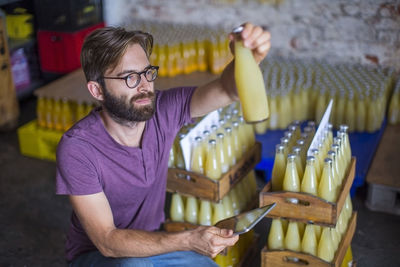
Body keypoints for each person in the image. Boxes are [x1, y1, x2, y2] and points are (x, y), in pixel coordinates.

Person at [56, 22, 271, 266]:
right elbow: (107, 240)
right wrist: (188, 240)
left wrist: (248, 58)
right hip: (97, 255)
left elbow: (227, 89)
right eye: (130, 77)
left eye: (148, 73)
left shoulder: (163, 109)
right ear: (97, 90)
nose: (145, 86)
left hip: (150, 241)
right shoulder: (78, 148)